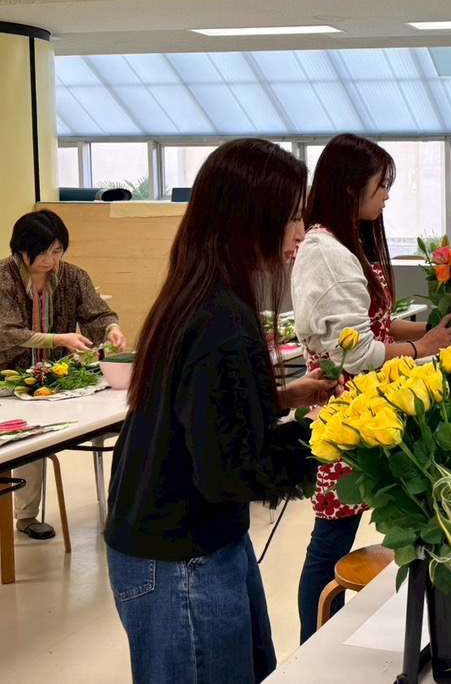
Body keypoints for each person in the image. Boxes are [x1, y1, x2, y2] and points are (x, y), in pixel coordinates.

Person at [104, 139, 336, 684]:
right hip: (180, 558)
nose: (301, 232)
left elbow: (201, 413)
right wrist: (334, 436)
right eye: (292, 216)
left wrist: (280, 398)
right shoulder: (221, 319)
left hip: (185, 541)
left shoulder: (201, 294)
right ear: (250, 218)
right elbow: (231, 469)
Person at [291, 133, 451, 642]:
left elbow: (375, 325)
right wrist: (422, 348)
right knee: (331, 539)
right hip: (347, 416)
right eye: (381, 185)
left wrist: (434, 331)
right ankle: (315, 643)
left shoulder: (347, 242)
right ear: (350, 186)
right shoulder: (324, 252)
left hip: (372, 409)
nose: (387, 195)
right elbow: (356, 352)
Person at [0, 209, 126, 540]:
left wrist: (111, 329)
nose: (51, 260)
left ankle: (122, 506)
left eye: (57, 251)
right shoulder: (3, 279)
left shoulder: (72, 276)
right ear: (22, 250)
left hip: (56, 378)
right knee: (27, 440)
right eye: (43, 252)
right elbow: (6, 332)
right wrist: (58, 339)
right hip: (10, 380)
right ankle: (26, 516)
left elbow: (98, 313)